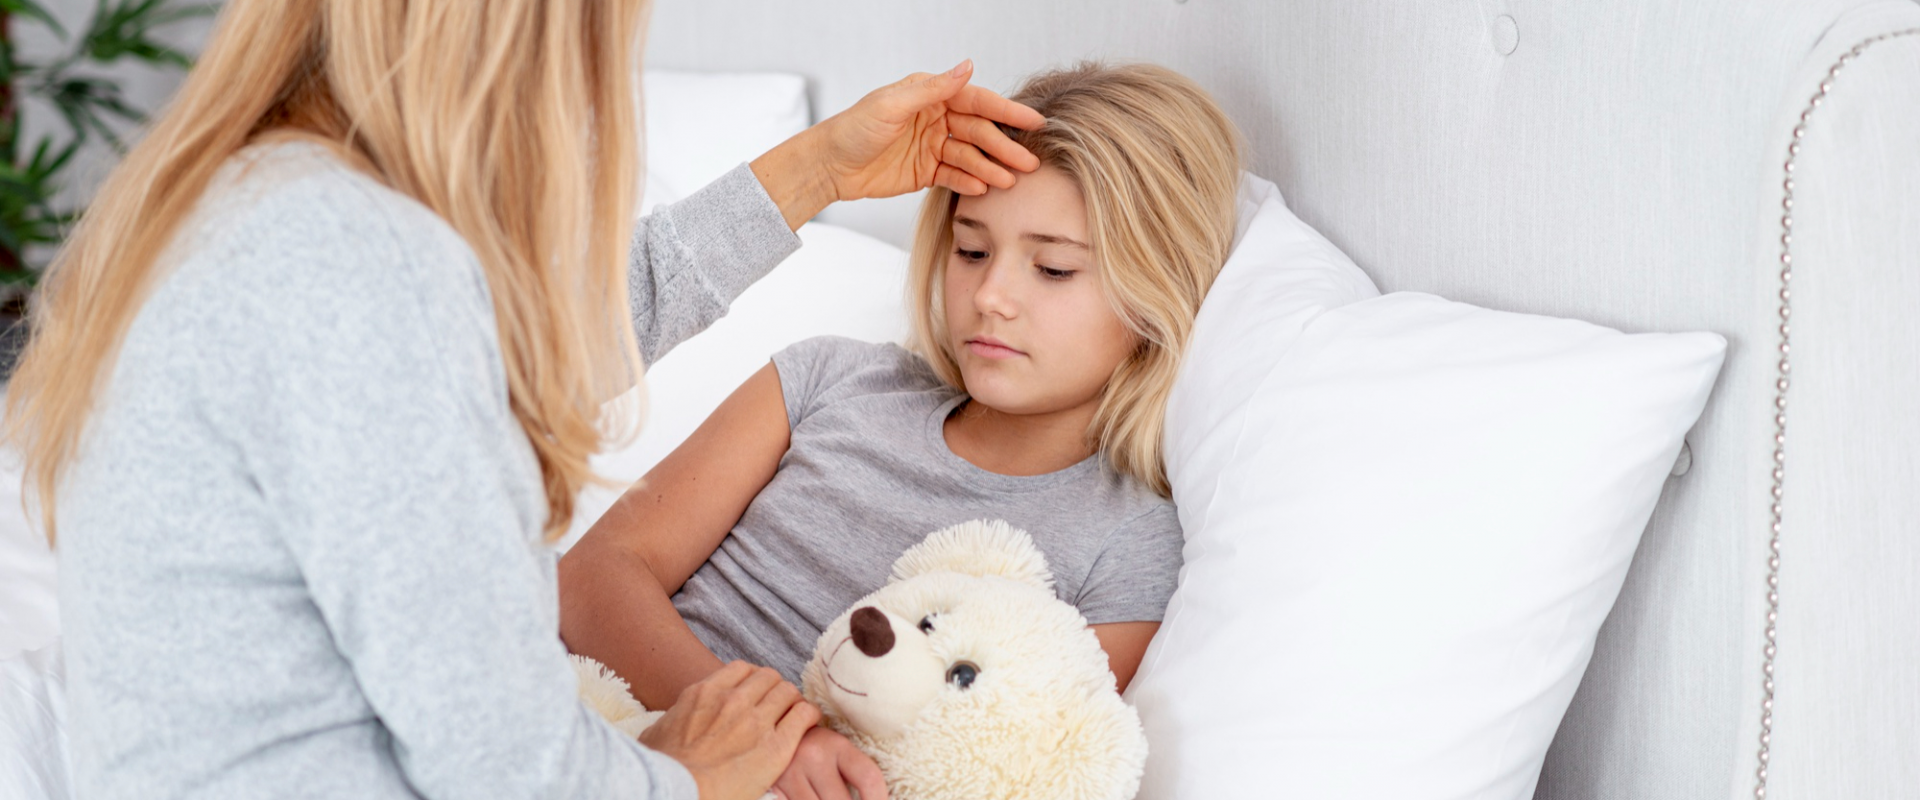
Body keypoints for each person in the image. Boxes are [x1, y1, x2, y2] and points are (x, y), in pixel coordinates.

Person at [0, 1, 1047, 798]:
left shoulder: (258, 199)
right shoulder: (354, 266)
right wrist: (681, 776)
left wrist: (815, 170)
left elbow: (529, 349)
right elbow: (504, 761)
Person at [560, 62, 1245, 800]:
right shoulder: (830, 381)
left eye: (1052, 269)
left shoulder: (1128, 540)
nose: (990, 295)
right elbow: (591, 576)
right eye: (971, 250)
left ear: (1157, 291)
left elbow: (1022, 765)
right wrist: (767, 741)